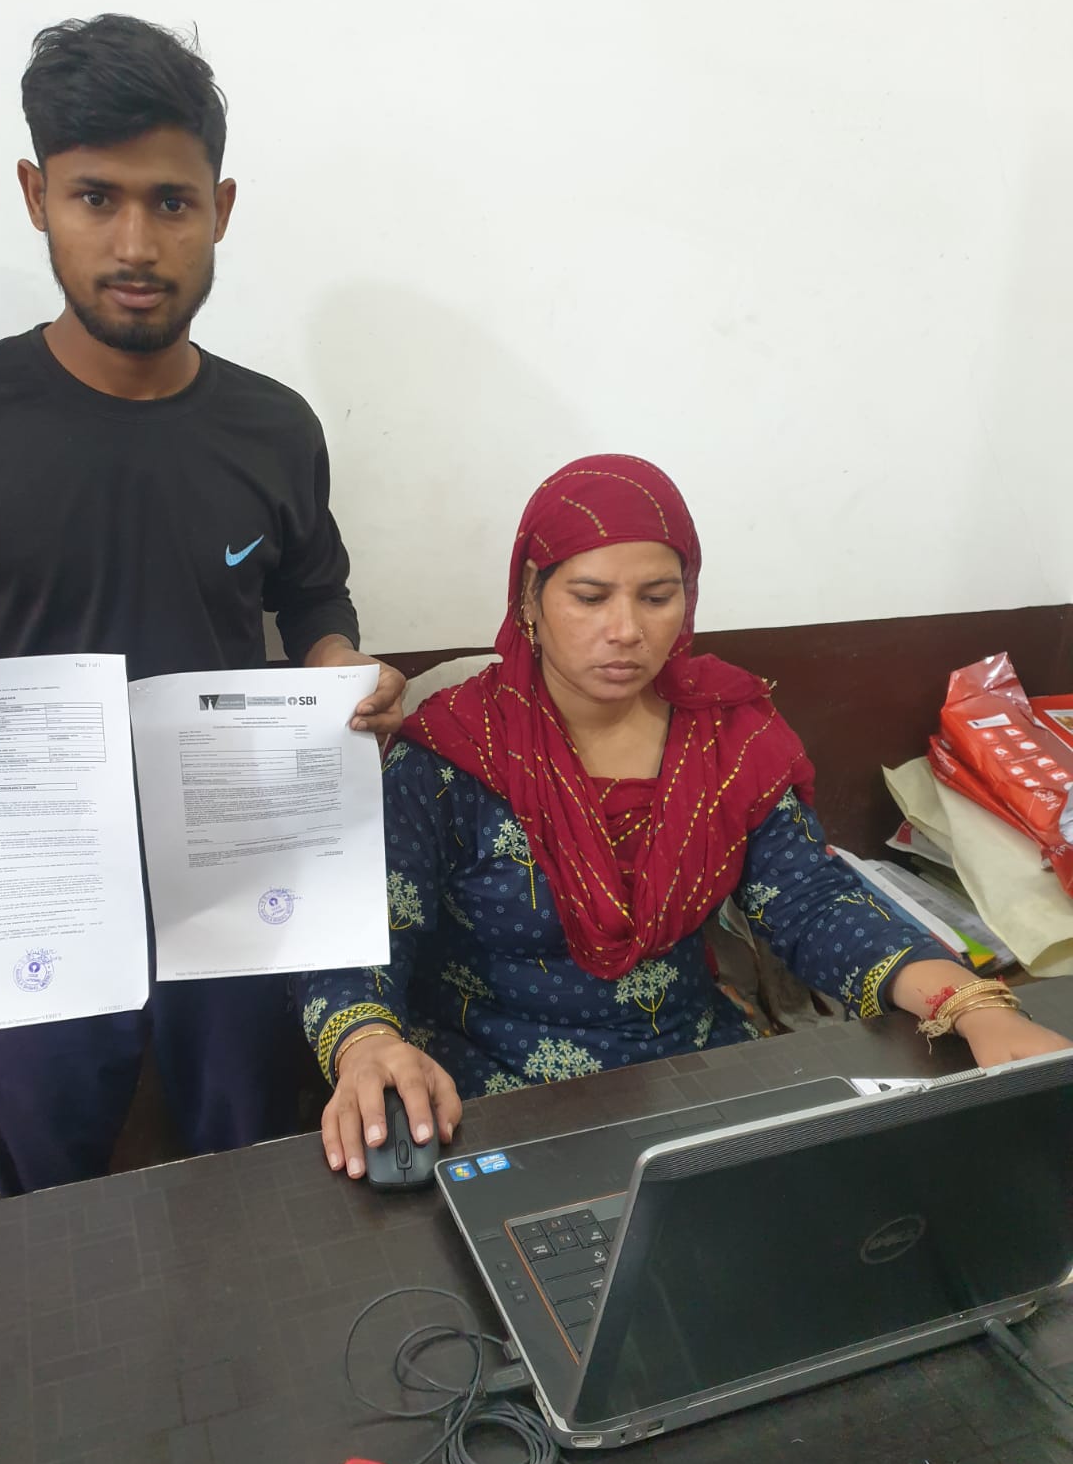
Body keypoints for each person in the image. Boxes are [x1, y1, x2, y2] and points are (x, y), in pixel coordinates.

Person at [0, 14, 404, 1196]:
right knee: (37, 1165)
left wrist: (337, 666)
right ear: (36, 195)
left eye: (170, 202)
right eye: (94, 197)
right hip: (31, 861)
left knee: (251, 1150)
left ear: (220, 206)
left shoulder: (274, 426)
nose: (135, 243)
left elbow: (312, 590)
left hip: (235, 850)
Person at [299, 455, 1071, 1177]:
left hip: (692, 1071)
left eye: (657, 596)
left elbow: (810, 901)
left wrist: (972, 1004)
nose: (626, 630)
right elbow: (365, 931)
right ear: (530, 596)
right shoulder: (454, 754)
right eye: (590, 597)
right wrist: (367, 1043)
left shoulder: (727, 736)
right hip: (495, 1092)